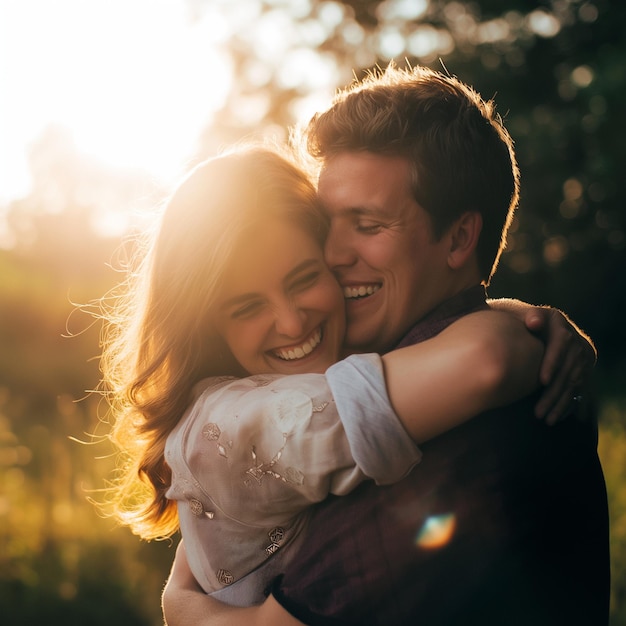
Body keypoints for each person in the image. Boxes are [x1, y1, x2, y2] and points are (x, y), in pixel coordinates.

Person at [162, 64, 608, 625]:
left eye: (367, 225)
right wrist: (519, 316)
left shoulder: (446, 438)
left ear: (459, 238)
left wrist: (186, 611)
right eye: (329, 223)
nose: (334, 254)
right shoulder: (496, 360)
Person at [101, 144, 545, 608]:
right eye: (248, 307)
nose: (292, 323)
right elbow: (488, 361)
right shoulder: (228, 427)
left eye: (304, 279)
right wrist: (523, 323)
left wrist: (512, 309)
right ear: (208, 327)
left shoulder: (311, 375)